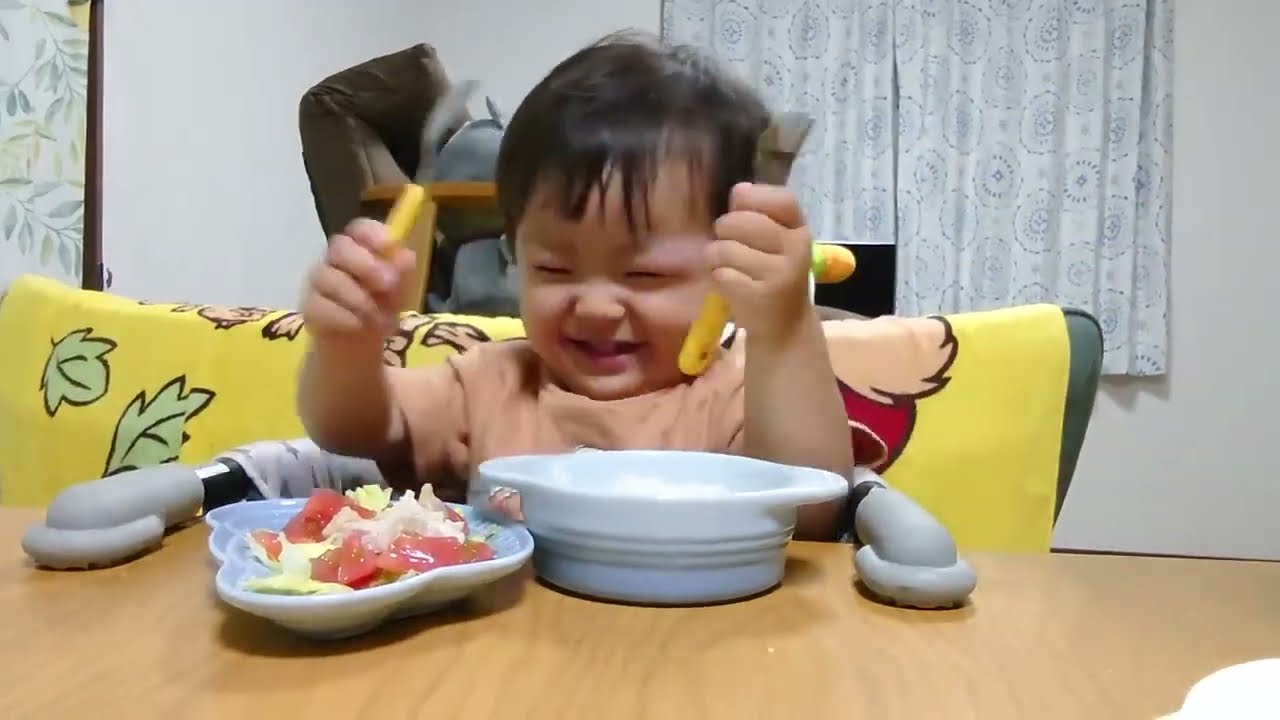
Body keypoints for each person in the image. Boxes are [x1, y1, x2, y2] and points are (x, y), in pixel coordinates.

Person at [296, 31, 879, 540]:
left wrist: (784, 329)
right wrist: (347, 348)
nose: (596, 307)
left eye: (645, 274)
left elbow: (813, 508)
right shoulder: (491, 383)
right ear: (514, 252)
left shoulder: (732, 398)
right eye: (553, 268)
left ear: (723, 273)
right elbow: (352, 430)